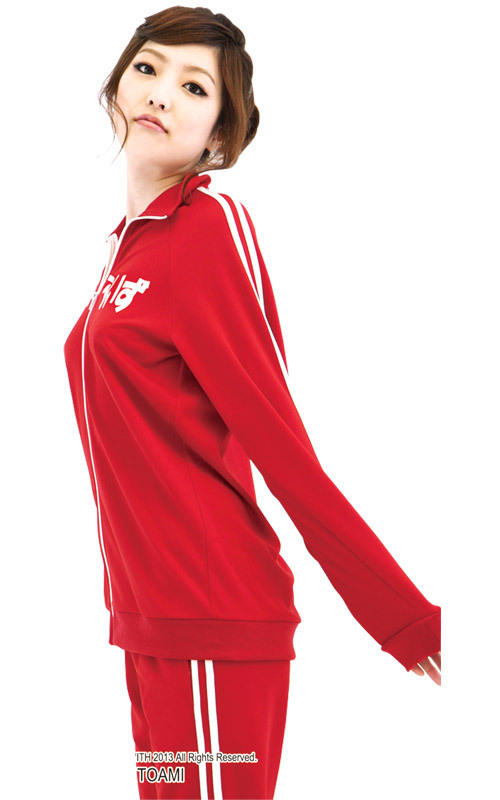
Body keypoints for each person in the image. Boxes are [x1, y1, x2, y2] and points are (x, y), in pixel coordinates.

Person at [63, 6, 441, 799]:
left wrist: (403, 618)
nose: (160, 93)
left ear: (220, 135)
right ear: (116, 84)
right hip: (151, 628)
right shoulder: (129, 247)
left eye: (194, 87)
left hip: (212, 622)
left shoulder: (206, 228)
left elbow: (279, 443)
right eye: (148, 68)